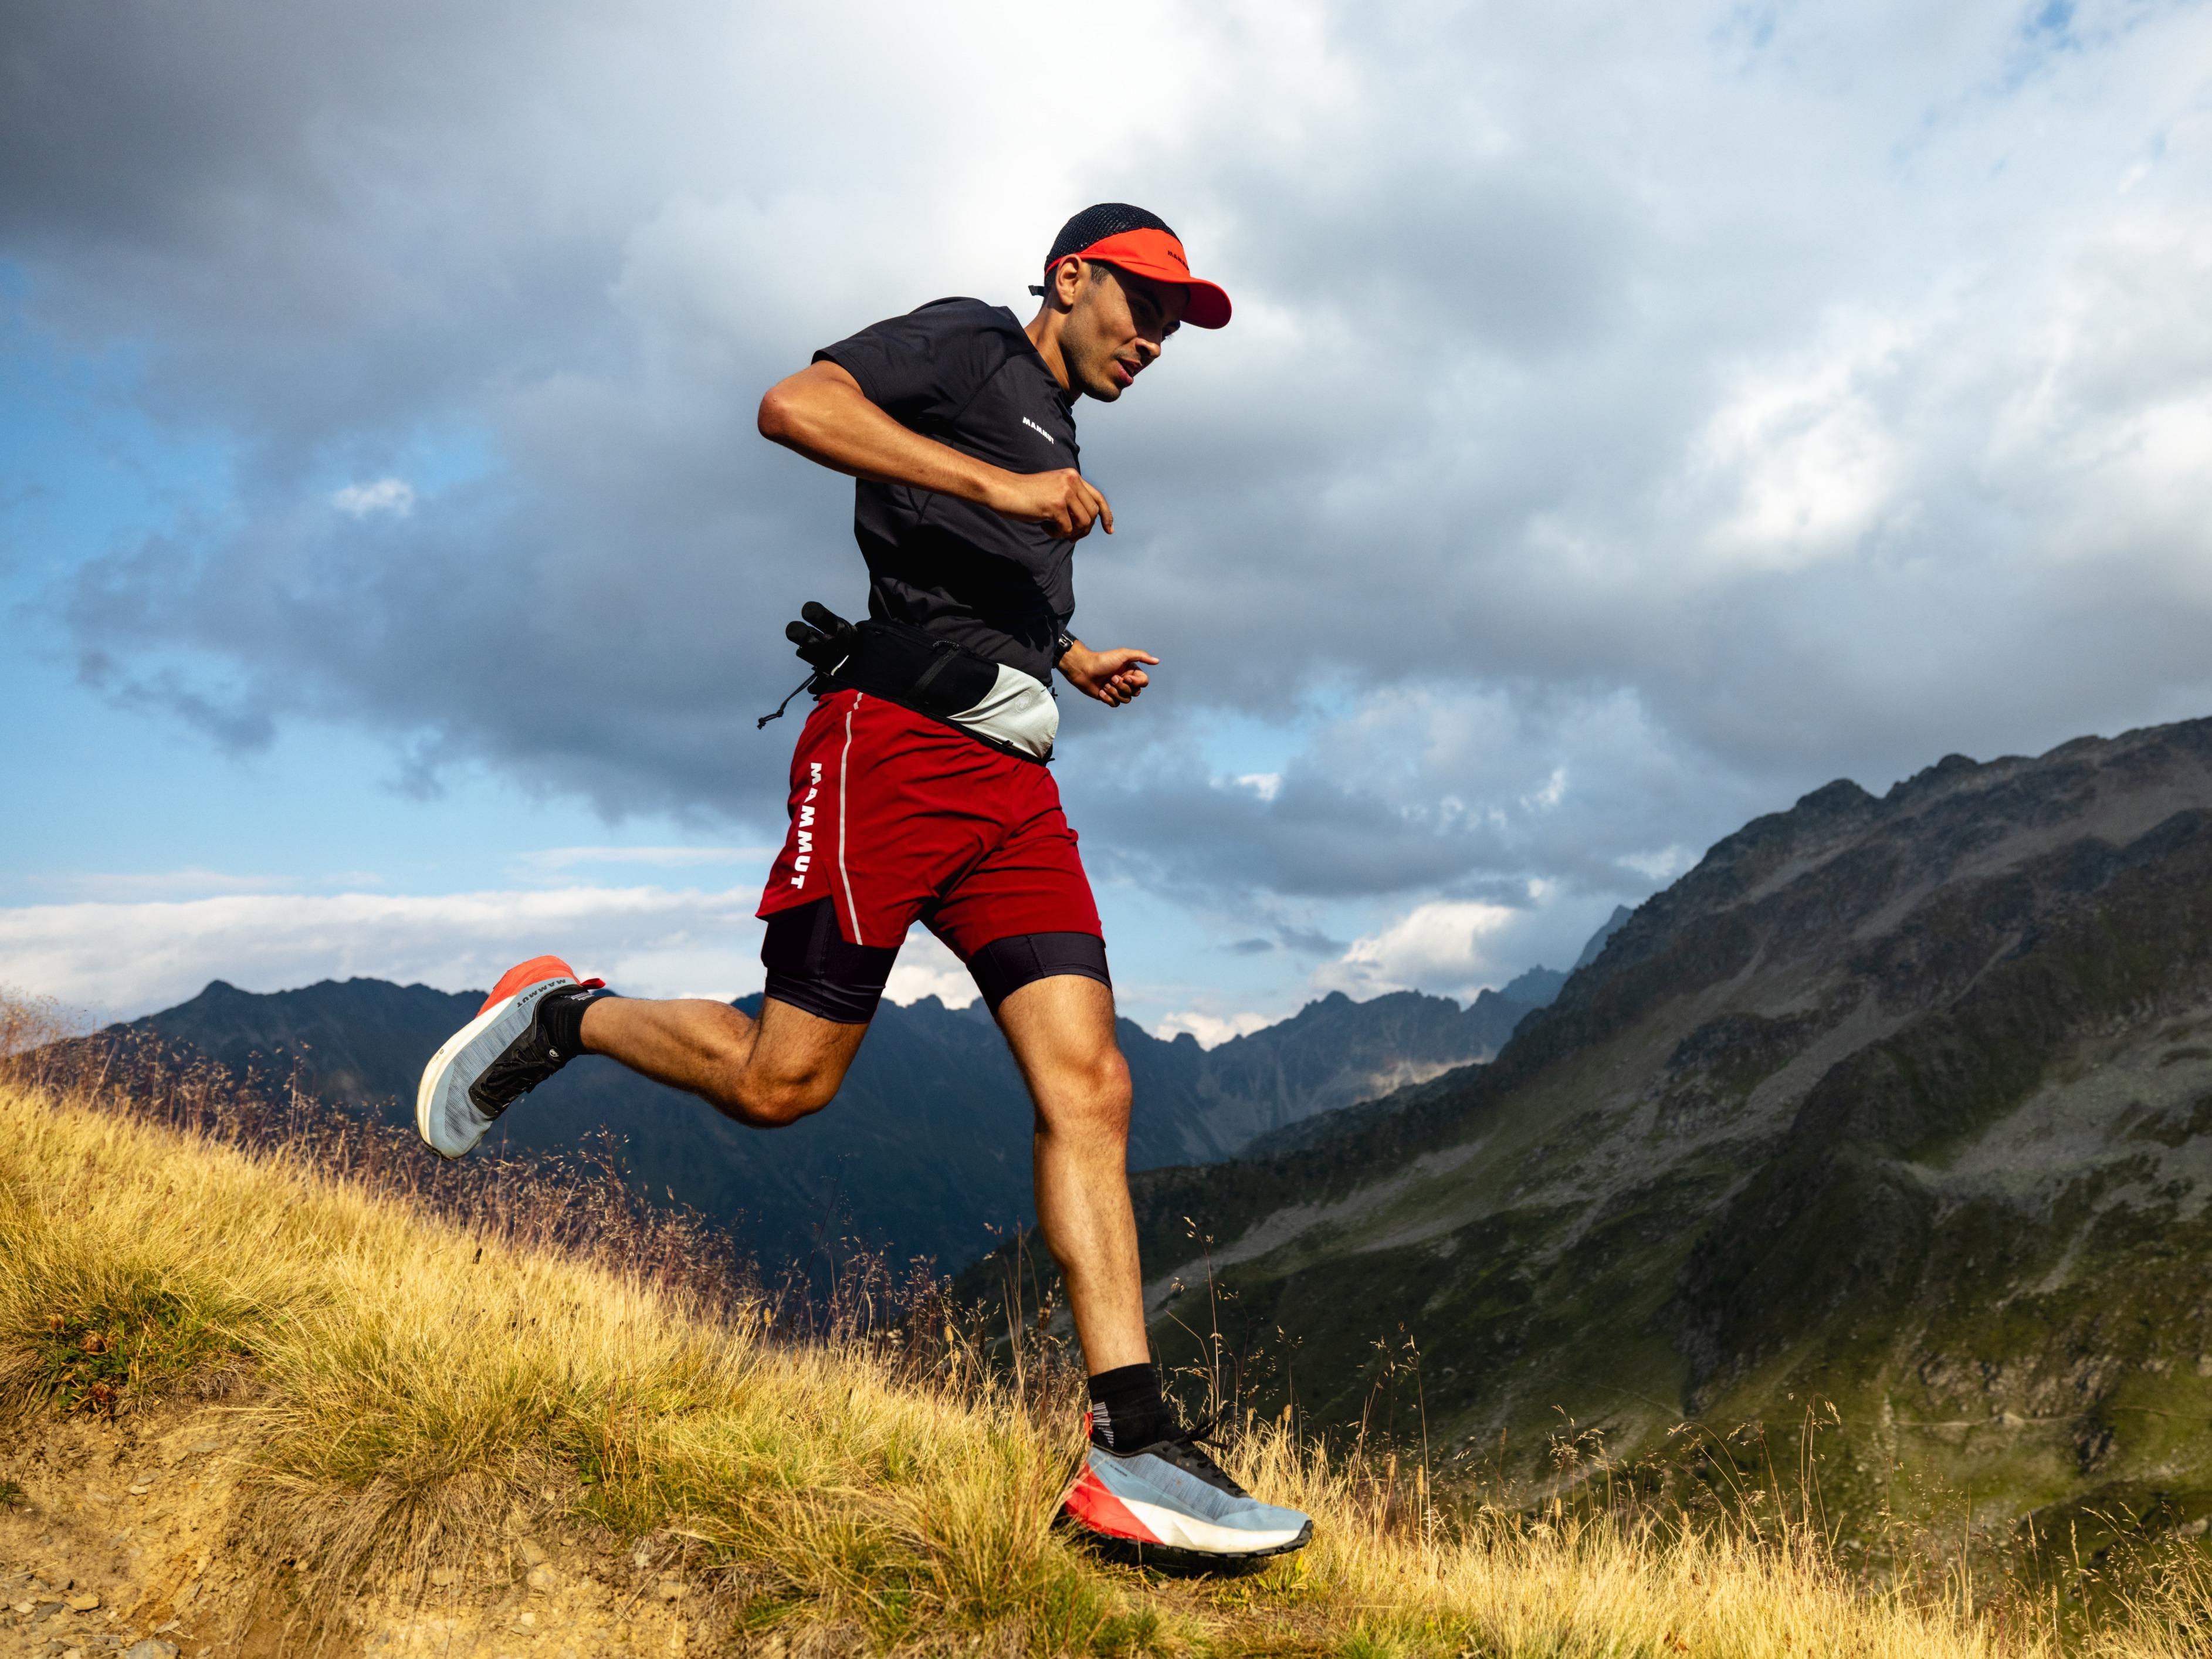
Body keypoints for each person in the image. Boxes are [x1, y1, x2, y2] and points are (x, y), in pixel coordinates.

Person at [415, 204, 1311, 1563]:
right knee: (784, 1083)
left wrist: (1068, 659)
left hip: (1012, 785)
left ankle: (1130, 1448)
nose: (1158, 338)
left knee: (1093, 1083)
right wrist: (1001, 489)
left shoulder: (1057, 431)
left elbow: (967, 581)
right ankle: (561, 1013)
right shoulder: (963, 348)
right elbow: (791, 405)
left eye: (1179, 323)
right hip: (893, 753)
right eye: (1145, 303)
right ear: (1071, 278)